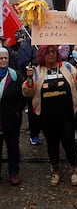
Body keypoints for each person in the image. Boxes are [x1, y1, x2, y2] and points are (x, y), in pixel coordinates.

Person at [23, 45, 77, 186]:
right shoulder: (36, 71)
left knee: (69, 142)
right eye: (47, 52)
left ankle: (75, 169)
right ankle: (55, 170)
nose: (51, 55)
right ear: (42, 55)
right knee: (52, 144)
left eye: (53, 52)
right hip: (46, 117)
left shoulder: (68, 67)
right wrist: (29, 79)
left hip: (67, 116)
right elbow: (28, 92)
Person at [0, 48, 25, 185]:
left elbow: (23, 95)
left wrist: (17, 110)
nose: (3, 60)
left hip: (11, 119)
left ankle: (13, 172)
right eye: (1, 58)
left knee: (13, 146)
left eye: (5, 58)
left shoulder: (15, 75)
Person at [17, 29, 41, 146]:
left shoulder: (44, 43)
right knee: (33, 109)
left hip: (45, 81)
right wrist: (31, 67)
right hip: (33, 81)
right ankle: (34, 134)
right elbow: (22, 63)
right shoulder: (25, 46)